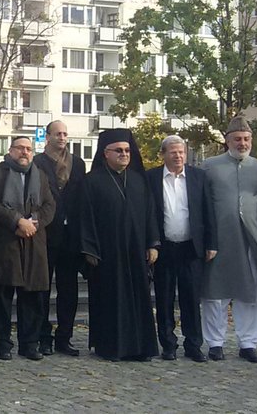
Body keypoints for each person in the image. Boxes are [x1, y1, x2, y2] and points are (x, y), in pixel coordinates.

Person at [200, 116, 257, 363]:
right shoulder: (209, 166)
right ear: (227, 141)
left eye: (247, 139)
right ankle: (215, 343)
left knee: (251, 293)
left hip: (251, 240)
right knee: (215, 293)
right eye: (237, 139)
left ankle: (248, 342)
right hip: (218, 239)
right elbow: (203, 203)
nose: (243, 143)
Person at [79, 129, 160, 362]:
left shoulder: (138, 181)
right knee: (110, 300)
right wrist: (89, 249)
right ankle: (110, 347)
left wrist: (153, 243)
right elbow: (85, 217)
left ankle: (140, 347)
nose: (125, 154)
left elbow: (150, 214)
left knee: (138, 299)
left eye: (127, 150)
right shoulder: (91, 181)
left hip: (136, 252)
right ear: (106, 153)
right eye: (119, 151)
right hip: (107, 254)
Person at [0, 136, 55, 361]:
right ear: (11, 150)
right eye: (20, 148)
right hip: (5, 242)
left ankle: (29, 344)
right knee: (2, 298)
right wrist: (16, 221)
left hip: (34, 243)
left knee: (32, 298)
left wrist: (33, 222)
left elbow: (50, 205)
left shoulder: (39, 175)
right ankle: (2, 345)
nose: (25, 152)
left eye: (29, 149)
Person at [145, 134, 215, 362]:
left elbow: (208, 211)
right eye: (173, 152)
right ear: (163, 154)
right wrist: (151, 243)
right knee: (164, 299)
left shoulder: (198, 177)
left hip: (191, 247)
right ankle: (168, 345)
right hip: (163, 248)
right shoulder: (151, 178)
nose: (178, 156)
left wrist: (211, 243)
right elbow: (147, 215)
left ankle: (194, 344)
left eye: (182, 152)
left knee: (191, 298)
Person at [31, 119, 86, 356]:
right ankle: (44, 336)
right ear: (48, 136)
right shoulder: (37, 163)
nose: (62, 137)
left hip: (71, 235)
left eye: (65, 133)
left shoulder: (78, 164)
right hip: (46, 233)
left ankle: (65, 336)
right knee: (43, 287)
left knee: (68, 289)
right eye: (57, 133)